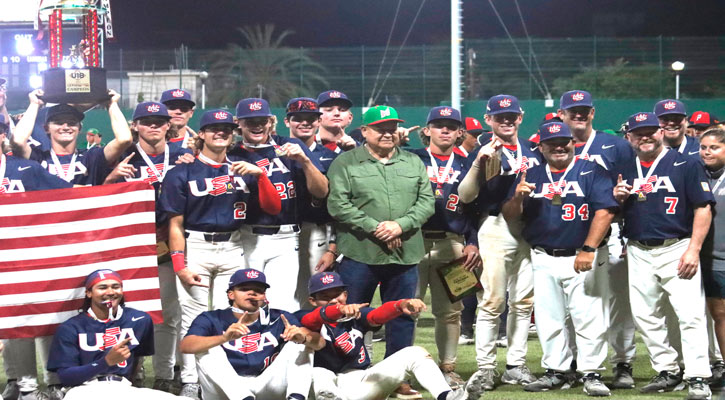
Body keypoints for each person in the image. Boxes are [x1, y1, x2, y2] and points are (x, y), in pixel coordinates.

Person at [159, 108, 281, 398]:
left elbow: (274, 208)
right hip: (196, 245)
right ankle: (190, 379)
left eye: (226, 128)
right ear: (200, 133)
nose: (221, 132)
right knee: (193, 317)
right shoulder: (182, 171)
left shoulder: (243, 168)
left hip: (235, 245)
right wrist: (179, 264)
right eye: (213, 127)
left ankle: (229, 375)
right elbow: (174, 224)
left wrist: (261, 176)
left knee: (235, 315)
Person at [326, 104, 434, 398]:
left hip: (405, 251)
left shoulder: (412, 162)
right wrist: (377, 228)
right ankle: (350, 374)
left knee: (401, 317)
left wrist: (399, 226)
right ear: (365, 131)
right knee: (350, 315)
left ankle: (396, 378)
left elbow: (427, 202)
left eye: (392, 128)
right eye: (380, 128)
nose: (388, 133)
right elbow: (338, 205)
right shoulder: (345, 163)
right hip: (360, 251)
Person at [502, 121, 617, 396]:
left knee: (589, 317)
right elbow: (509, 214)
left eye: (563, 141)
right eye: (551, 143)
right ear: (541, 147)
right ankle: (557, 371)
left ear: (572, 143)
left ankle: (591, 373)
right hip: (543, 255)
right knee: (548, 318)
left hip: (582, 254)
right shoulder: (530, 173)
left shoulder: (591, 169)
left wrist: (589, 248)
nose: (559, 146)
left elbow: (605, 211)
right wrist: (517, 197)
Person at [613, 112, 714, 399]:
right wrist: (618, 199)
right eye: (638, 133)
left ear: (660, 132)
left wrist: (693, 249)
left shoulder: (686, 162)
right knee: (645, 316)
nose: (645, 137)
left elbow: (703, 208)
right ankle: (667, 369)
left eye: (650, 131)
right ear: (629, 137)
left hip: (677, 246)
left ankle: (697, 376)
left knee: (690, 315)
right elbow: (616, 212)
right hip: (637, 248)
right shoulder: (625, 166)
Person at [104, 101, 194, 392]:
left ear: (169, 125)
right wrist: (112, 178)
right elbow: (100, 202)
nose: (153, 126)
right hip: (129, 248)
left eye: (159, 121)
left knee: (168, 314)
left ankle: (165, 374)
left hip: (169, 245)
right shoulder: (124, 156)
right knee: (127, 314)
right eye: (146, 121)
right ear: (135, 126)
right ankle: (130, 372)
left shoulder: (184, 155)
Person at [457, 95, 540, 390]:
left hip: (528, 229)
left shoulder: (533, 149)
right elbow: (465, 196)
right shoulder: (482, 151)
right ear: (488, 119)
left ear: (520, 117)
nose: (506, 120)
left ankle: (516, 364)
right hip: (493, 226)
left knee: (523, 302)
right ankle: (486, 367)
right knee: (493, 301)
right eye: (499, 116)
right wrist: (479, 164)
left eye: (511, 115)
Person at [296, 271, 486, 400]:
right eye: (326, 296)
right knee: (319, 373)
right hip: (318, 384)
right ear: (312, 300)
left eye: (338, 294)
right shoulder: (302, 317)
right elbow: (314, 320)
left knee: (415, 353)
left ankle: (449, 397)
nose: (335, 300)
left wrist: (399, 305)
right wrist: (338, 311)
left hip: (356, 381)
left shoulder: (354, 313)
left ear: (346, 294)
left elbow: (375, 315)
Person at [557, 89, 638, 389]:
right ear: (561, 114)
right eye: (572, 110)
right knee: (571, 306)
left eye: (584, 110)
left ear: (592, 113)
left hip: (613, 231)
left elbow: (632, 191)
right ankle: (574, 363)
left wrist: (629, 233)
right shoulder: (554, 145)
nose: (578, 114)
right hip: (568, 234)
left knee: (618, 303)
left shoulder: (615, 145)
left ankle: (623, 363)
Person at [228, 98, 328, 313]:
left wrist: (305, 161)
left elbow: (321, 191)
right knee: (247, 305)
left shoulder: (289, 147)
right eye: (250, 121)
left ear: (270, 121)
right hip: (248, 236)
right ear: (239, 124)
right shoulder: (231, 153)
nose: (257, 125)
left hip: (286, 236)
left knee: (283, 305)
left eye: (261, 120)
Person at [409, 106, 481, 387]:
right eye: (438, 124)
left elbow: (477, 209)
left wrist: (473, 242)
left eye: (452, 125)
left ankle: (448, 366)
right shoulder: (411, 158)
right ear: (426, 130)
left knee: (451, 312)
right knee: (407, 310)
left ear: (460, 132)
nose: (446, 129)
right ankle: (404, 368)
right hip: (412, 242)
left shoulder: (468, 164)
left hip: (453, 244)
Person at [46, 269, 193, 400]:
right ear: (89, 293)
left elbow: (138, 358)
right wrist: (106, 361)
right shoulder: (70, 327)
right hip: (84, 391)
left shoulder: (140, 319)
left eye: (116, 287)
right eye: (102, 287)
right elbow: (66, 377)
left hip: (123, 388)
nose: (110, 292)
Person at [179, 269, 322, 400]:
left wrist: (303, 338)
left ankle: (296, 398)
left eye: (258, 290)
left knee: (301, 343)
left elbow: (320, 343)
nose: (252, 293)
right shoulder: (212, 317)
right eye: (244, 289)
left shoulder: (280, 317)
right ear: (231, 294)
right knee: (208, 349)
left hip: (265, 384)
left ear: (264, 296)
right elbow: (186, 346)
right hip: (224, 389)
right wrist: (224, 338)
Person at [283, 97, 340, 306]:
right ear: (287, 122)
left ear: (318, 121)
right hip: (280, 233)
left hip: (317, 231)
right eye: (298, 118)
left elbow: (337, 206)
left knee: (313, 297)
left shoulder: (331, 156)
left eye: (311, 118)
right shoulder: (273, 152)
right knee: (281, 296)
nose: (305, 123)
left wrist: (333, 247)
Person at [11, 89, 132, 186]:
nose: (65, 127)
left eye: (72, 122)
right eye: (58, 122)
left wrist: (112, 105)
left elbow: (124, 139)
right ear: (46, 128)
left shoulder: (91, 157)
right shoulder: (38, 158)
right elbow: (17, 141)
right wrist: (34, 105)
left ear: (79, 128)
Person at [700, 129, 725, 390]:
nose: (707, 152)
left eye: (714, 147)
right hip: (709, 258)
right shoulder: (698, 174)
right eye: (704, 147)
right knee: (720, 316)